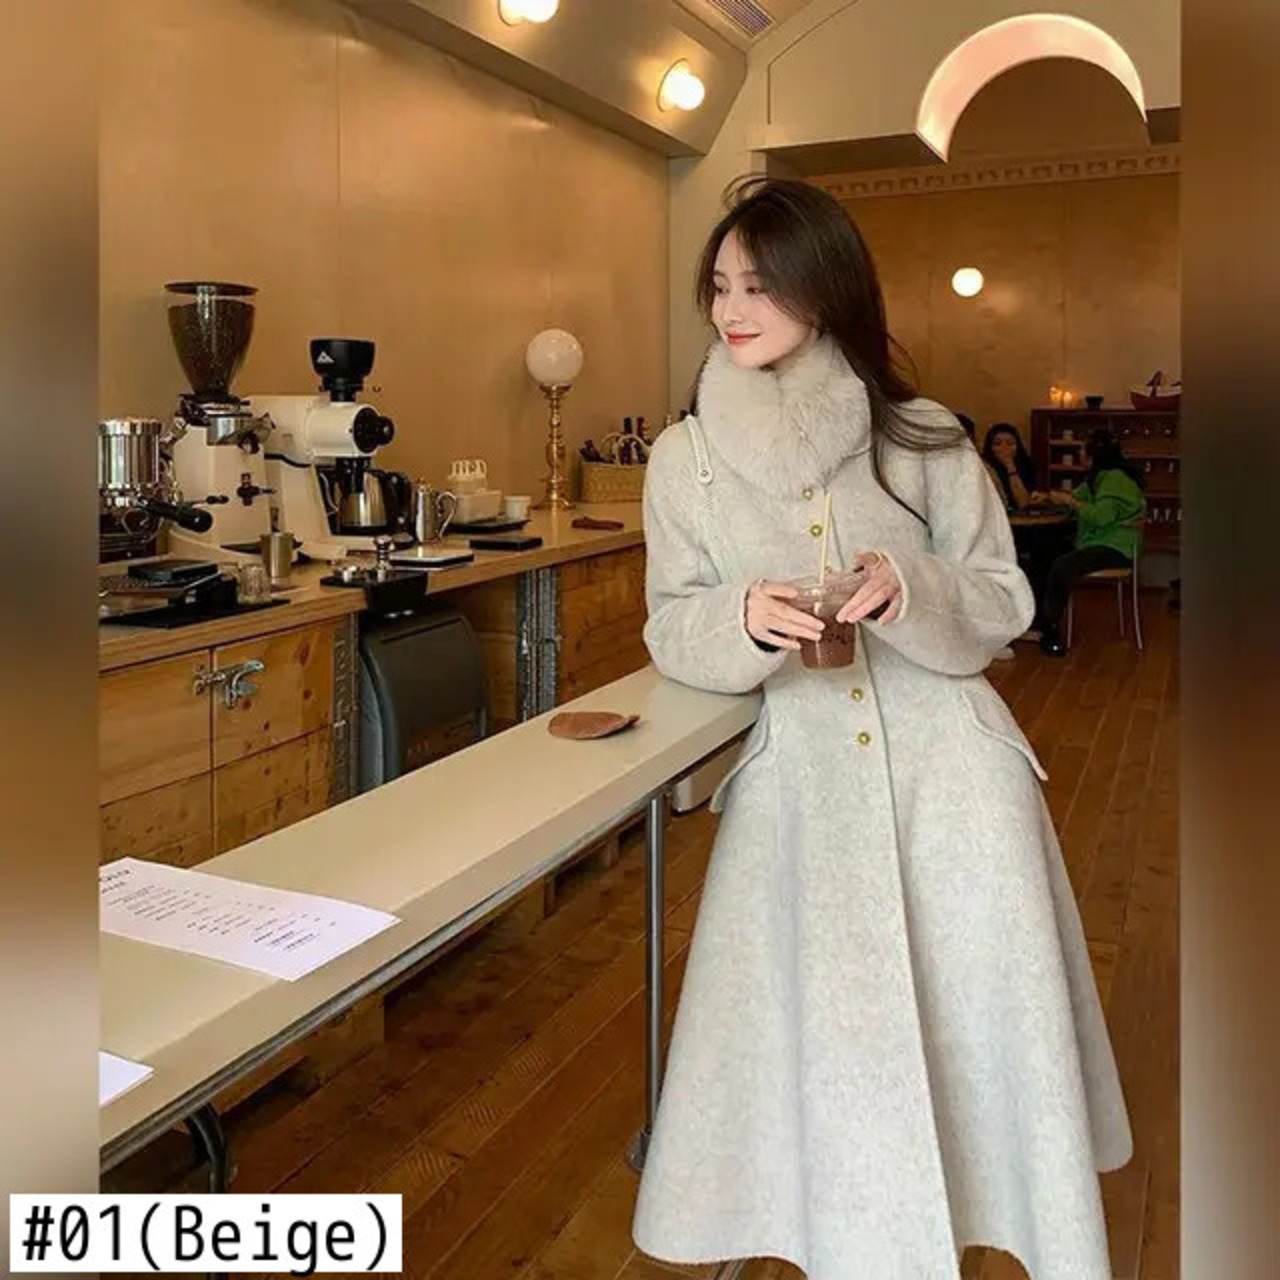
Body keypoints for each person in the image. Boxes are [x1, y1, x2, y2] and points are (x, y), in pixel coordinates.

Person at [632, 176, 1131, 1280]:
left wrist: (911, 586)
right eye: (719, 285)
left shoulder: (923, 436)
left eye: (759, 285)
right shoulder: (685, 460)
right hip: (798, 790)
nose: (730, 309)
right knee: (827, 1051)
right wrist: (741, 615)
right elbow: (670, 623)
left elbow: (1004, 599)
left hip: (956, 782)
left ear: (824, 288)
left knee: (975, 1036)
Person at [1037, 427, 1146, 655]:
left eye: (1082, 450)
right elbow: (1078, 497)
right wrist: (1049, 497)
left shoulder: (1115, 479)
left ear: (1093, 454)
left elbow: (1100, 516)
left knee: (1062, 565)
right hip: (1100, 542)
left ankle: (1050, 628)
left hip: (1115, 548)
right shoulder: (1098, 478)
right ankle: (1040, 617)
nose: (1079, 454)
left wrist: (1070, 502)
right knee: (1046, 550)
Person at [981, 422, 1042, 511]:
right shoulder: (984, 467)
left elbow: (1023, 503)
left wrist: (1010, 466)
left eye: (1010, 443)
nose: (1004, 448)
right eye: (998, 443)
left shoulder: (1027, 464)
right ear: (990, 447)